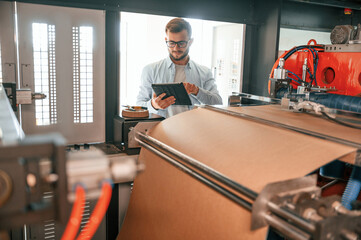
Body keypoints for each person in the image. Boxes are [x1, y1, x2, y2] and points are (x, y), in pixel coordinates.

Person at [136, 17, 222, 118]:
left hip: (194, 131)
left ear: (190, 42)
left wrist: (197, 91)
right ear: (166, 40)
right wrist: (154, 105)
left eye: (181, 43)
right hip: (160, 132)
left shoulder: (205, 72)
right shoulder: (150, 70)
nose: (176, 48)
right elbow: (139, 106)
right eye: (171, 43)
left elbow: (218, 103)